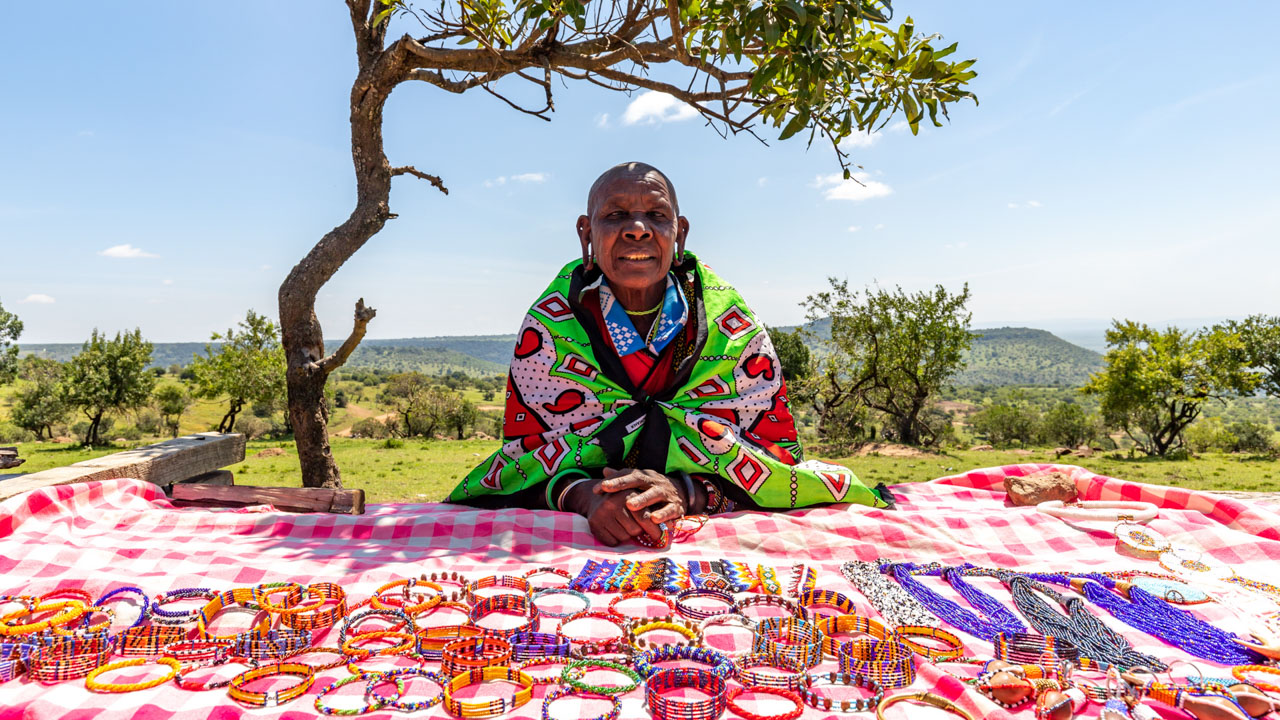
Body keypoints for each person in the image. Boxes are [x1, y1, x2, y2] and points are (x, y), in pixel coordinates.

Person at [447, 162, 886, 545]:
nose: (637, 228)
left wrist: (685, 491)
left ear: (680, 233)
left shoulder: (728, 325)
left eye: (656, 215)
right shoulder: (551, 326)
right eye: (615, 214)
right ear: (586, 233)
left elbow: (771, 459)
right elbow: (527, 458)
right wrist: (582, 495)